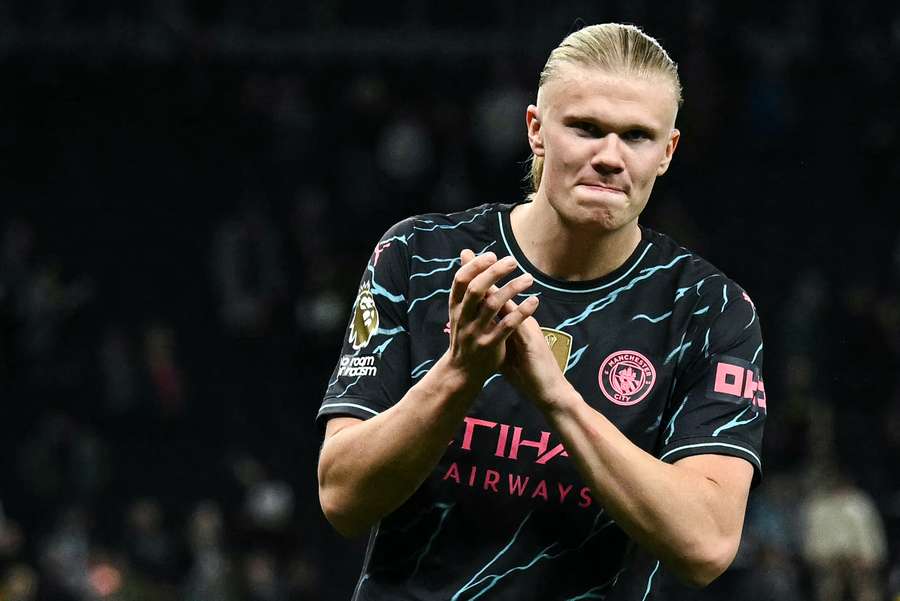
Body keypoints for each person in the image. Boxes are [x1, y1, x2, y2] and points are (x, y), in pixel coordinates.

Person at [317, 23, 767, 600]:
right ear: (536, 130)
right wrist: (460, 371)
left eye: (636, 136)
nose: (609, 157)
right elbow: (342, 499)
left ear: (668, 152)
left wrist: (556, 398)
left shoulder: (709, 309)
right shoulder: (417, 258)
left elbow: (706, 546)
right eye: (585, 128)